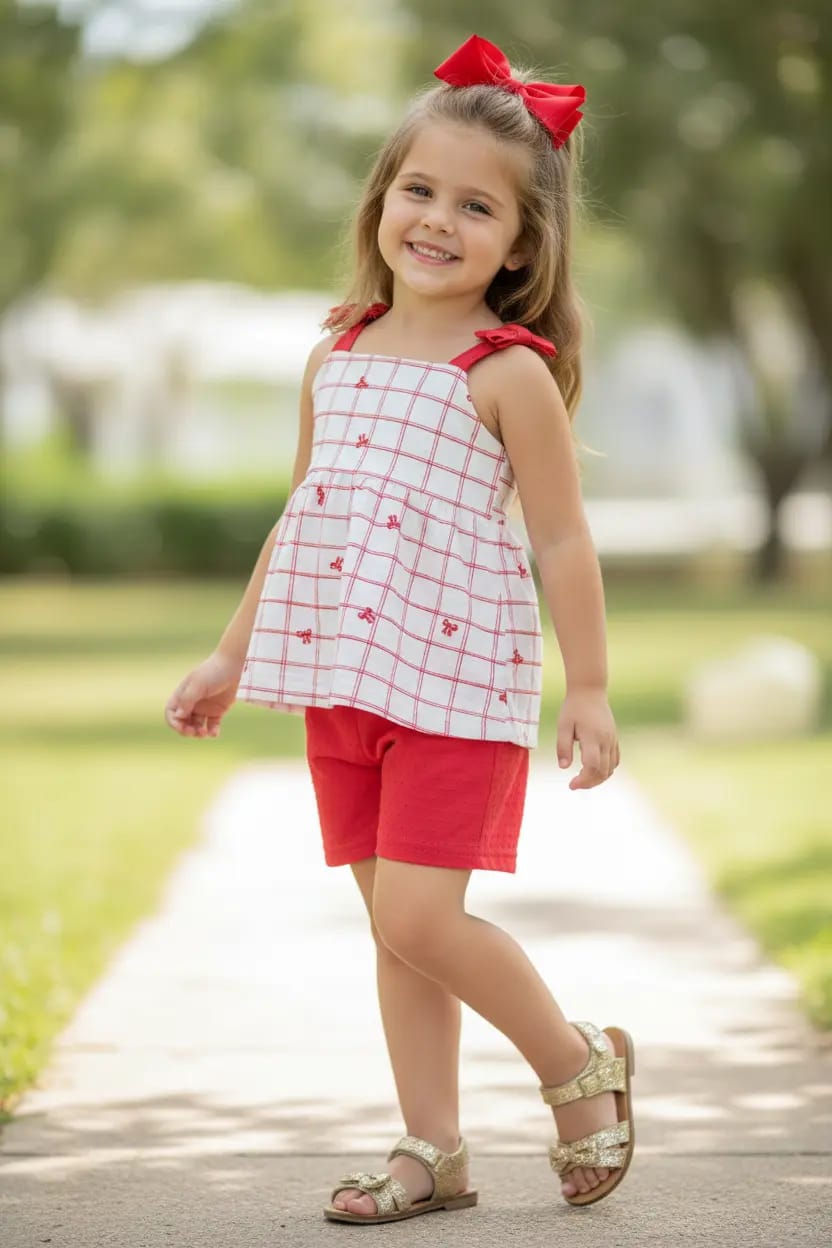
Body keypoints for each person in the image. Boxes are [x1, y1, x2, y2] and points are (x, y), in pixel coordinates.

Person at [165, 31, 634, 1226]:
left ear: (522, 244)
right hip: (346, 679)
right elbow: (302, 515)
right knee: (397, 931)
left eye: (475, 206)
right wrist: (232, 650)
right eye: (417, 190)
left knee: (425, 918)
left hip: (457, 686)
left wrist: (588, 689)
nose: (436, 219)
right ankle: (434, 1146)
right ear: (382, 200)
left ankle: (577, 1071)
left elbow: (563, 541)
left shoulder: (506, 372)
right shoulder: (337, 354)